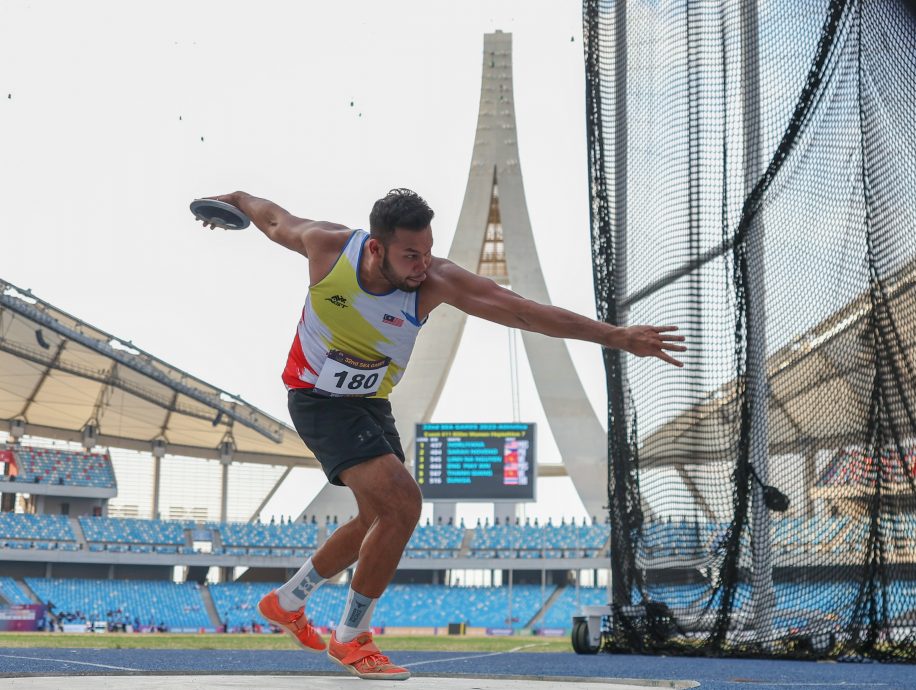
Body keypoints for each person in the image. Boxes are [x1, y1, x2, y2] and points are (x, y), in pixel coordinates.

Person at [197, 188, 685, 680]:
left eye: (428, 251)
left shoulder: (434, 280)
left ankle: (287, 600)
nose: (422, 266)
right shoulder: (327, 247)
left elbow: (523, 311)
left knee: (375, 517)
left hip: (369, 402)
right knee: (403, 505)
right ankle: (351, 639)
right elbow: (274, 219)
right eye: (410, 255)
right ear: (374, 248)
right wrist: (234, 199)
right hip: (317, 398)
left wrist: (617, 336)